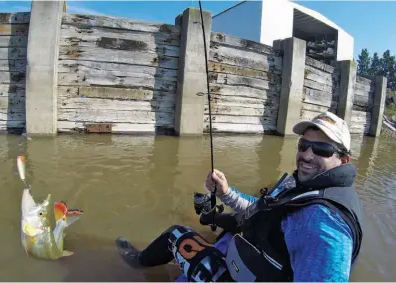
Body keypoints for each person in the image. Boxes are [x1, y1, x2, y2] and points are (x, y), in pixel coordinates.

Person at [115, 111, 364, 282]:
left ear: (343, 159)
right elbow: (262, 209)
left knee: (176, 234)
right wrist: (226, 193)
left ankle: (136, 262)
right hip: (247, 266)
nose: (307, 155)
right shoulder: (304, 186)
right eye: (303, 145)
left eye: (321, 149)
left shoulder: (324, 224)